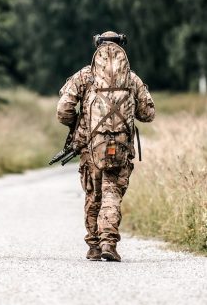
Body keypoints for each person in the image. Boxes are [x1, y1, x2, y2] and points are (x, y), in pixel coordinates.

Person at [57, 31, 156, 262]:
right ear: (122, 47)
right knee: (112, 192)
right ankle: (108, 243)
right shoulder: (132, 79)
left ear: (96, 46)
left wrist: (77, 125)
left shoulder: (84, 76)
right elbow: (148, 114)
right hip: (121, 146)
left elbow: (63, 110)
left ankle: (93, 246)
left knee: (94, 194)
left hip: (91, 147)